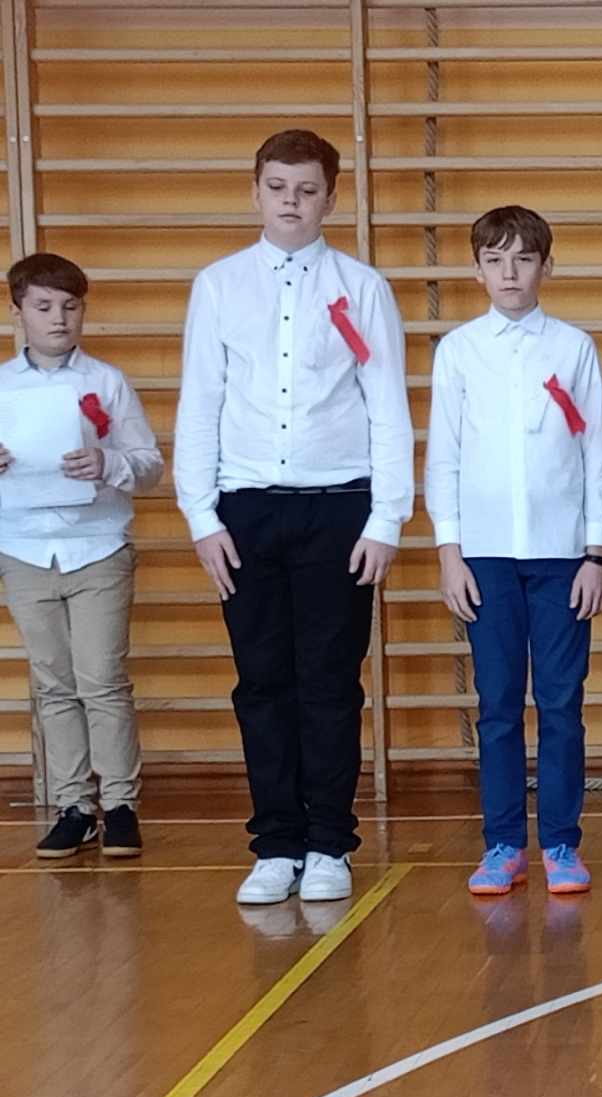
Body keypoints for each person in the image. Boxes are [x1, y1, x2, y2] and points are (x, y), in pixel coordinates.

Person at [174, 128, 411, 906]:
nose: (291, 203)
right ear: (255, 192)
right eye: (277, 187)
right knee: (262, 681)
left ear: (331, 199)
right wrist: (200, 514)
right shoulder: (218, 285)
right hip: (244, 510)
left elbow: (386, 403)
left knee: (331, 681)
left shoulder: (363, 288)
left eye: (307, 190)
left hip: (339, 507)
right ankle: (276, 844)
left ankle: (328, 842)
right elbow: (200, 400)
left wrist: (387, 517)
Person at [428, 206, 602, 897]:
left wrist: (597, 553)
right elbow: (443, 458)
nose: (510, 273)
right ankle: (503, 843)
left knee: (562, 704)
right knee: (498, 705)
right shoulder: (458, 351)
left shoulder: (574, 348)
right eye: (495, 259)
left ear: (547, 267)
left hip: (563, 558)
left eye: (524, 259)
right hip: (485, 558)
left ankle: (561, 842)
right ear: (477, 270)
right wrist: (450, 552)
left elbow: (596, 455)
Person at [0, 254, 162, 859]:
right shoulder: (2, 385)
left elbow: (149, 465)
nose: (59, 318)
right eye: (43, 307)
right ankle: (73, 805)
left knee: (102, 679)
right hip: (23, 547)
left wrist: (108, 462)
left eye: (70, 306)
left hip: (97, 546)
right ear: (17, 312)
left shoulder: (106, 381)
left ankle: (119, 803)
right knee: (52, 682)